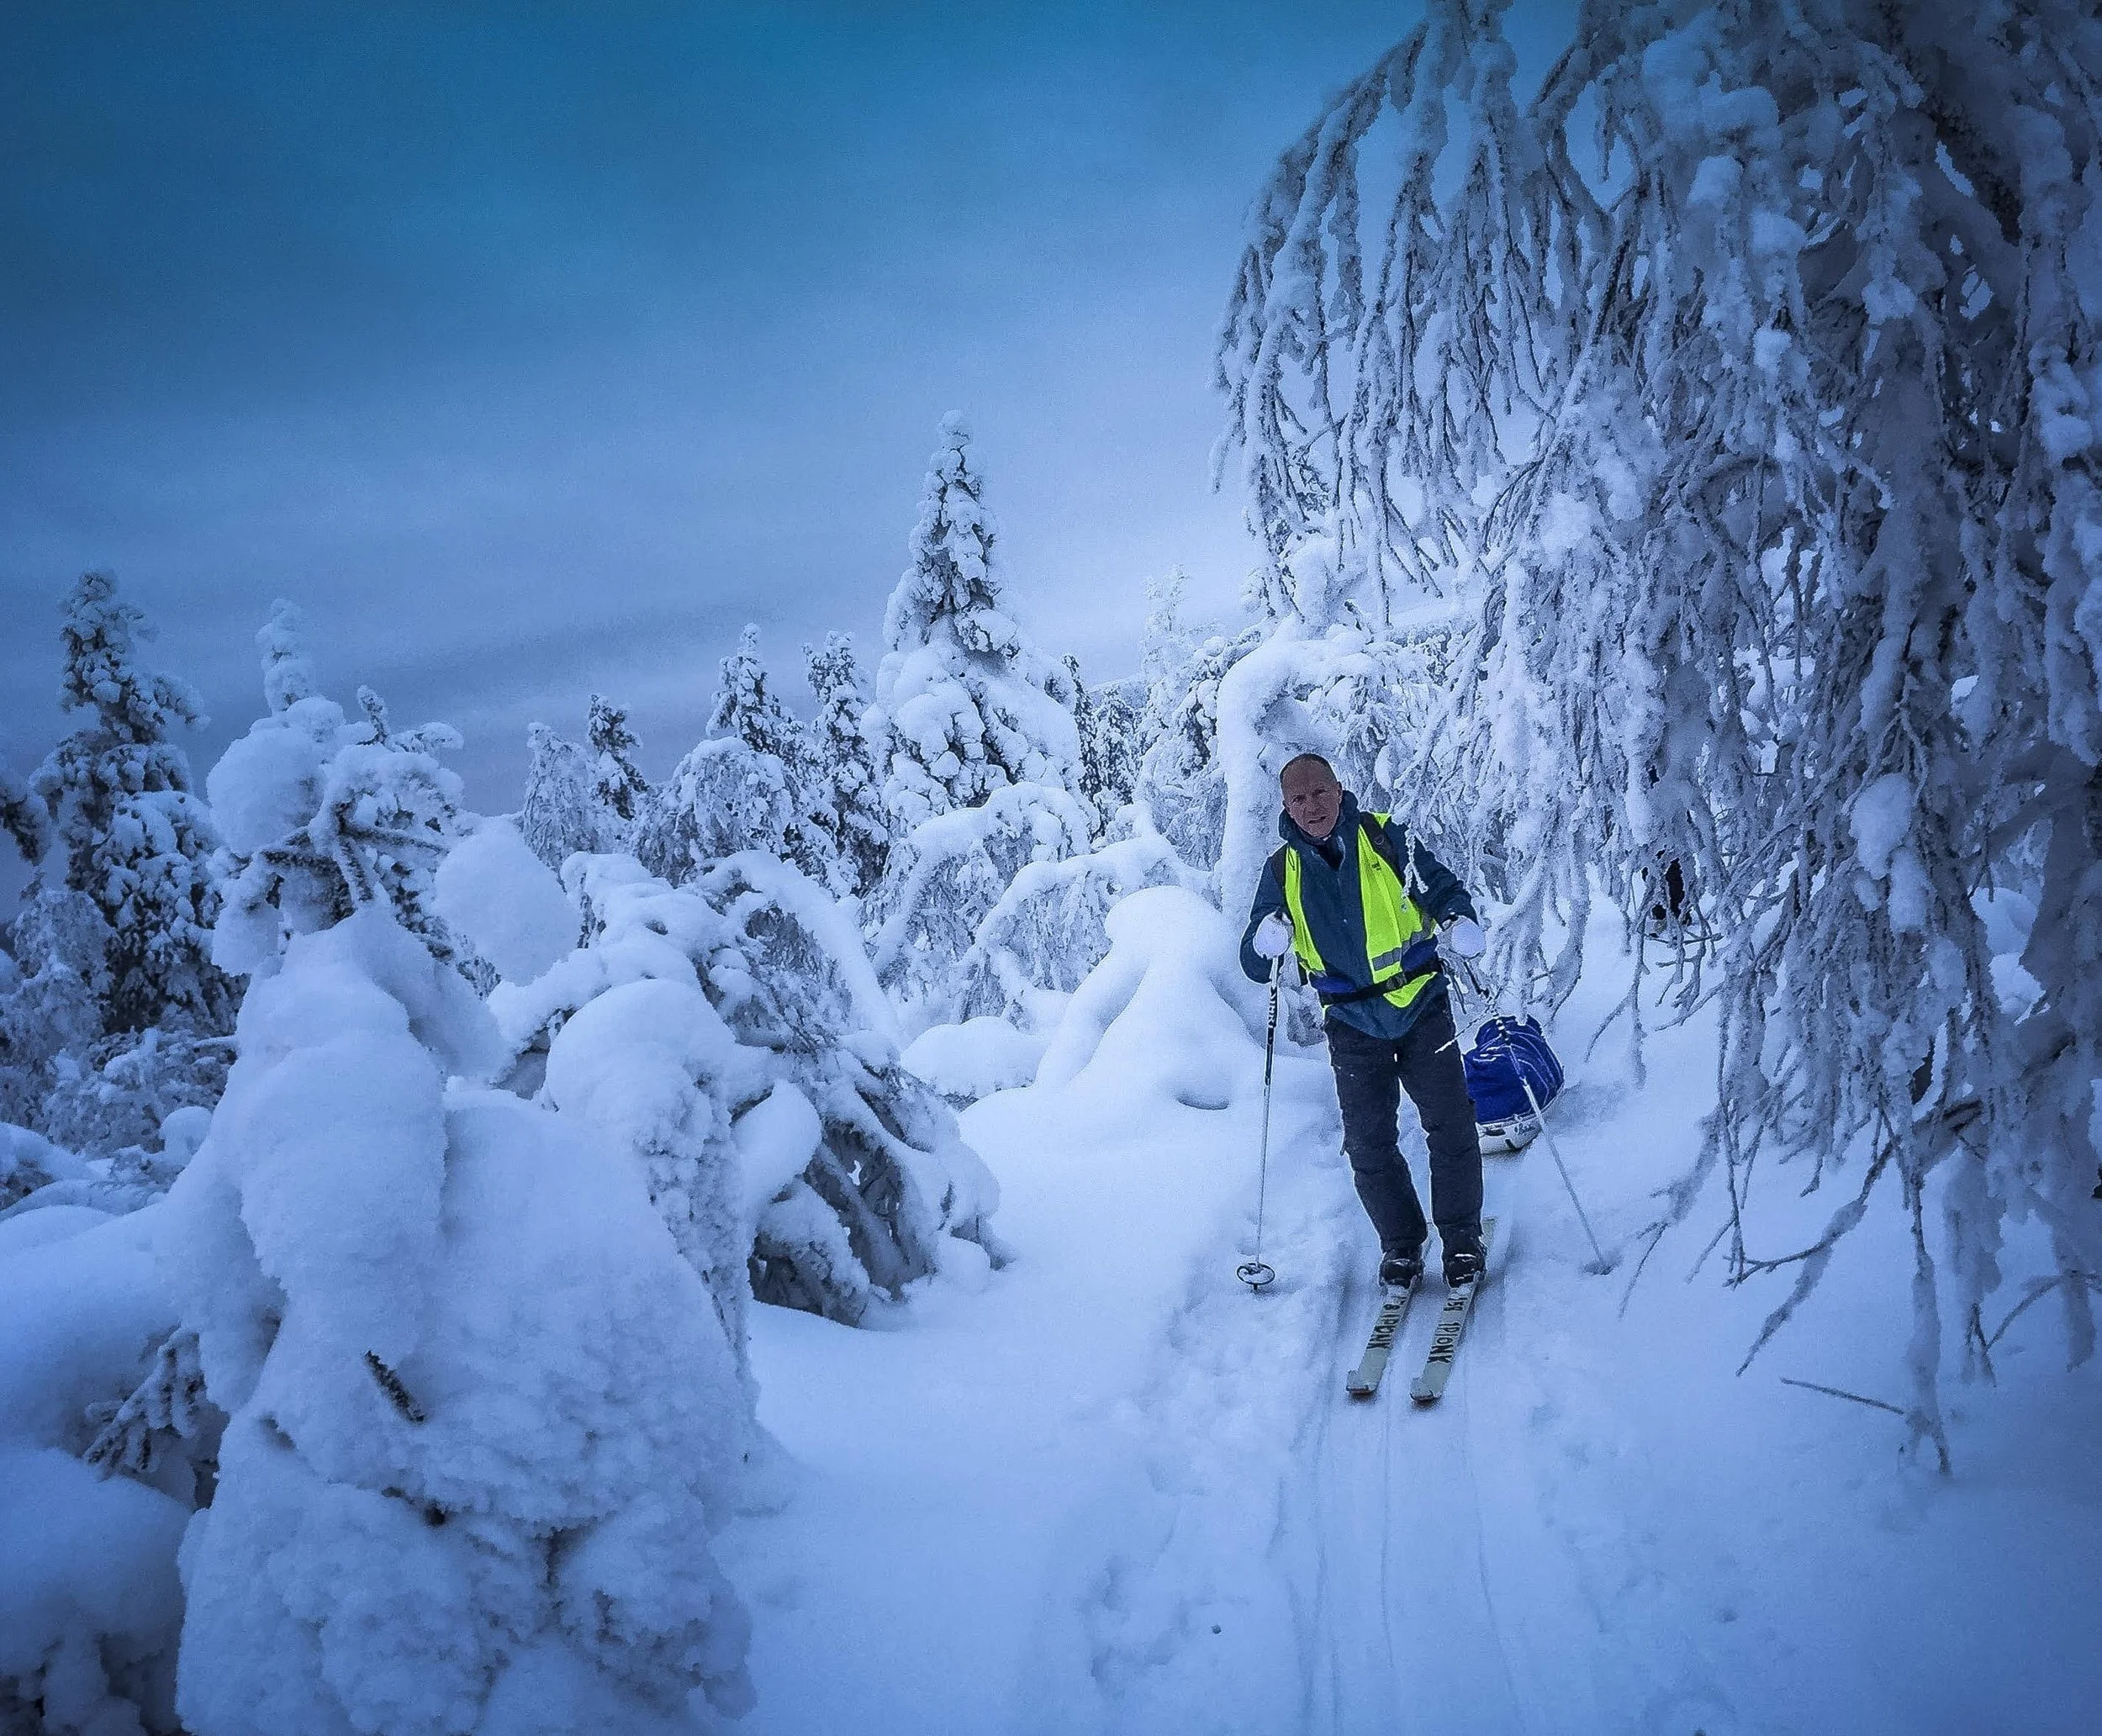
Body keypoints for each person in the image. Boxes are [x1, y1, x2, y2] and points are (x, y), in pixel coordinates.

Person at [1238, 752, 1488, 1290]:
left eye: (1320, 792)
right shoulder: (1282, 871)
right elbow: (1255, 962)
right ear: (1285, 806)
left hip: (1421, 1004)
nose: (1312, 807)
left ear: (1339, 789)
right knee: (1368, 1143)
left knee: (1450, 1124)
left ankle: (1462, 1242)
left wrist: (1459, 920)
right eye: (1299, 799)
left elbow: (1443, 890)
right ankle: (1402, 1246)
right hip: (1351, 1023)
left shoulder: (1385, 837)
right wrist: (1265, 941)